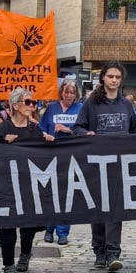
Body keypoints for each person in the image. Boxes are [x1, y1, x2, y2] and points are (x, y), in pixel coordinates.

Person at [73, 61, 136, 272]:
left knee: (115, 209)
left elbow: (135, 129)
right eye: (110, 76)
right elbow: (77, 127)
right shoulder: (91, 104)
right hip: (96, 165)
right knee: (98, 208)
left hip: (119, 165)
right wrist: (85, 134)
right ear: (103, 77)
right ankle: (99, 250)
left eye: (118, 77)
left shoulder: (125, 105)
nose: (114, 80)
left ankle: (113, 252)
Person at [0, 88, 54, 273]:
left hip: (28, 184)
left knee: (28, 224)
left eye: (34, 103)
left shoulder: (34, 129)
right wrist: (2, 142)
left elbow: (41, 156)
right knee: (7, 225)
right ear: (16, 105)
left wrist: (49, 142)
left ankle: (25, 255)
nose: (32, 106)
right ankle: (8, 264)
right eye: (28, 102)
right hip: (7, 184)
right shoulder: (2, 129)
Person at [39, 80, 83, 245]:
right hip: (51, 156)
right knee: (51, 193)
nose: (69, 95)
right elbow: (41, 128)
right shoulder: (52, 108)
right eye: (66, 92)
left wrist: (68, 130)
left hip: (71, 157)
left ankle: (62, 232)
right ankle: (49, 229)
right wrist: (45, 135)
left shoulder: (80, 109)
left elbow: (84, 131)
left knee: (66, 195)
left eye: (72, 92)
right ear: (61, 92)